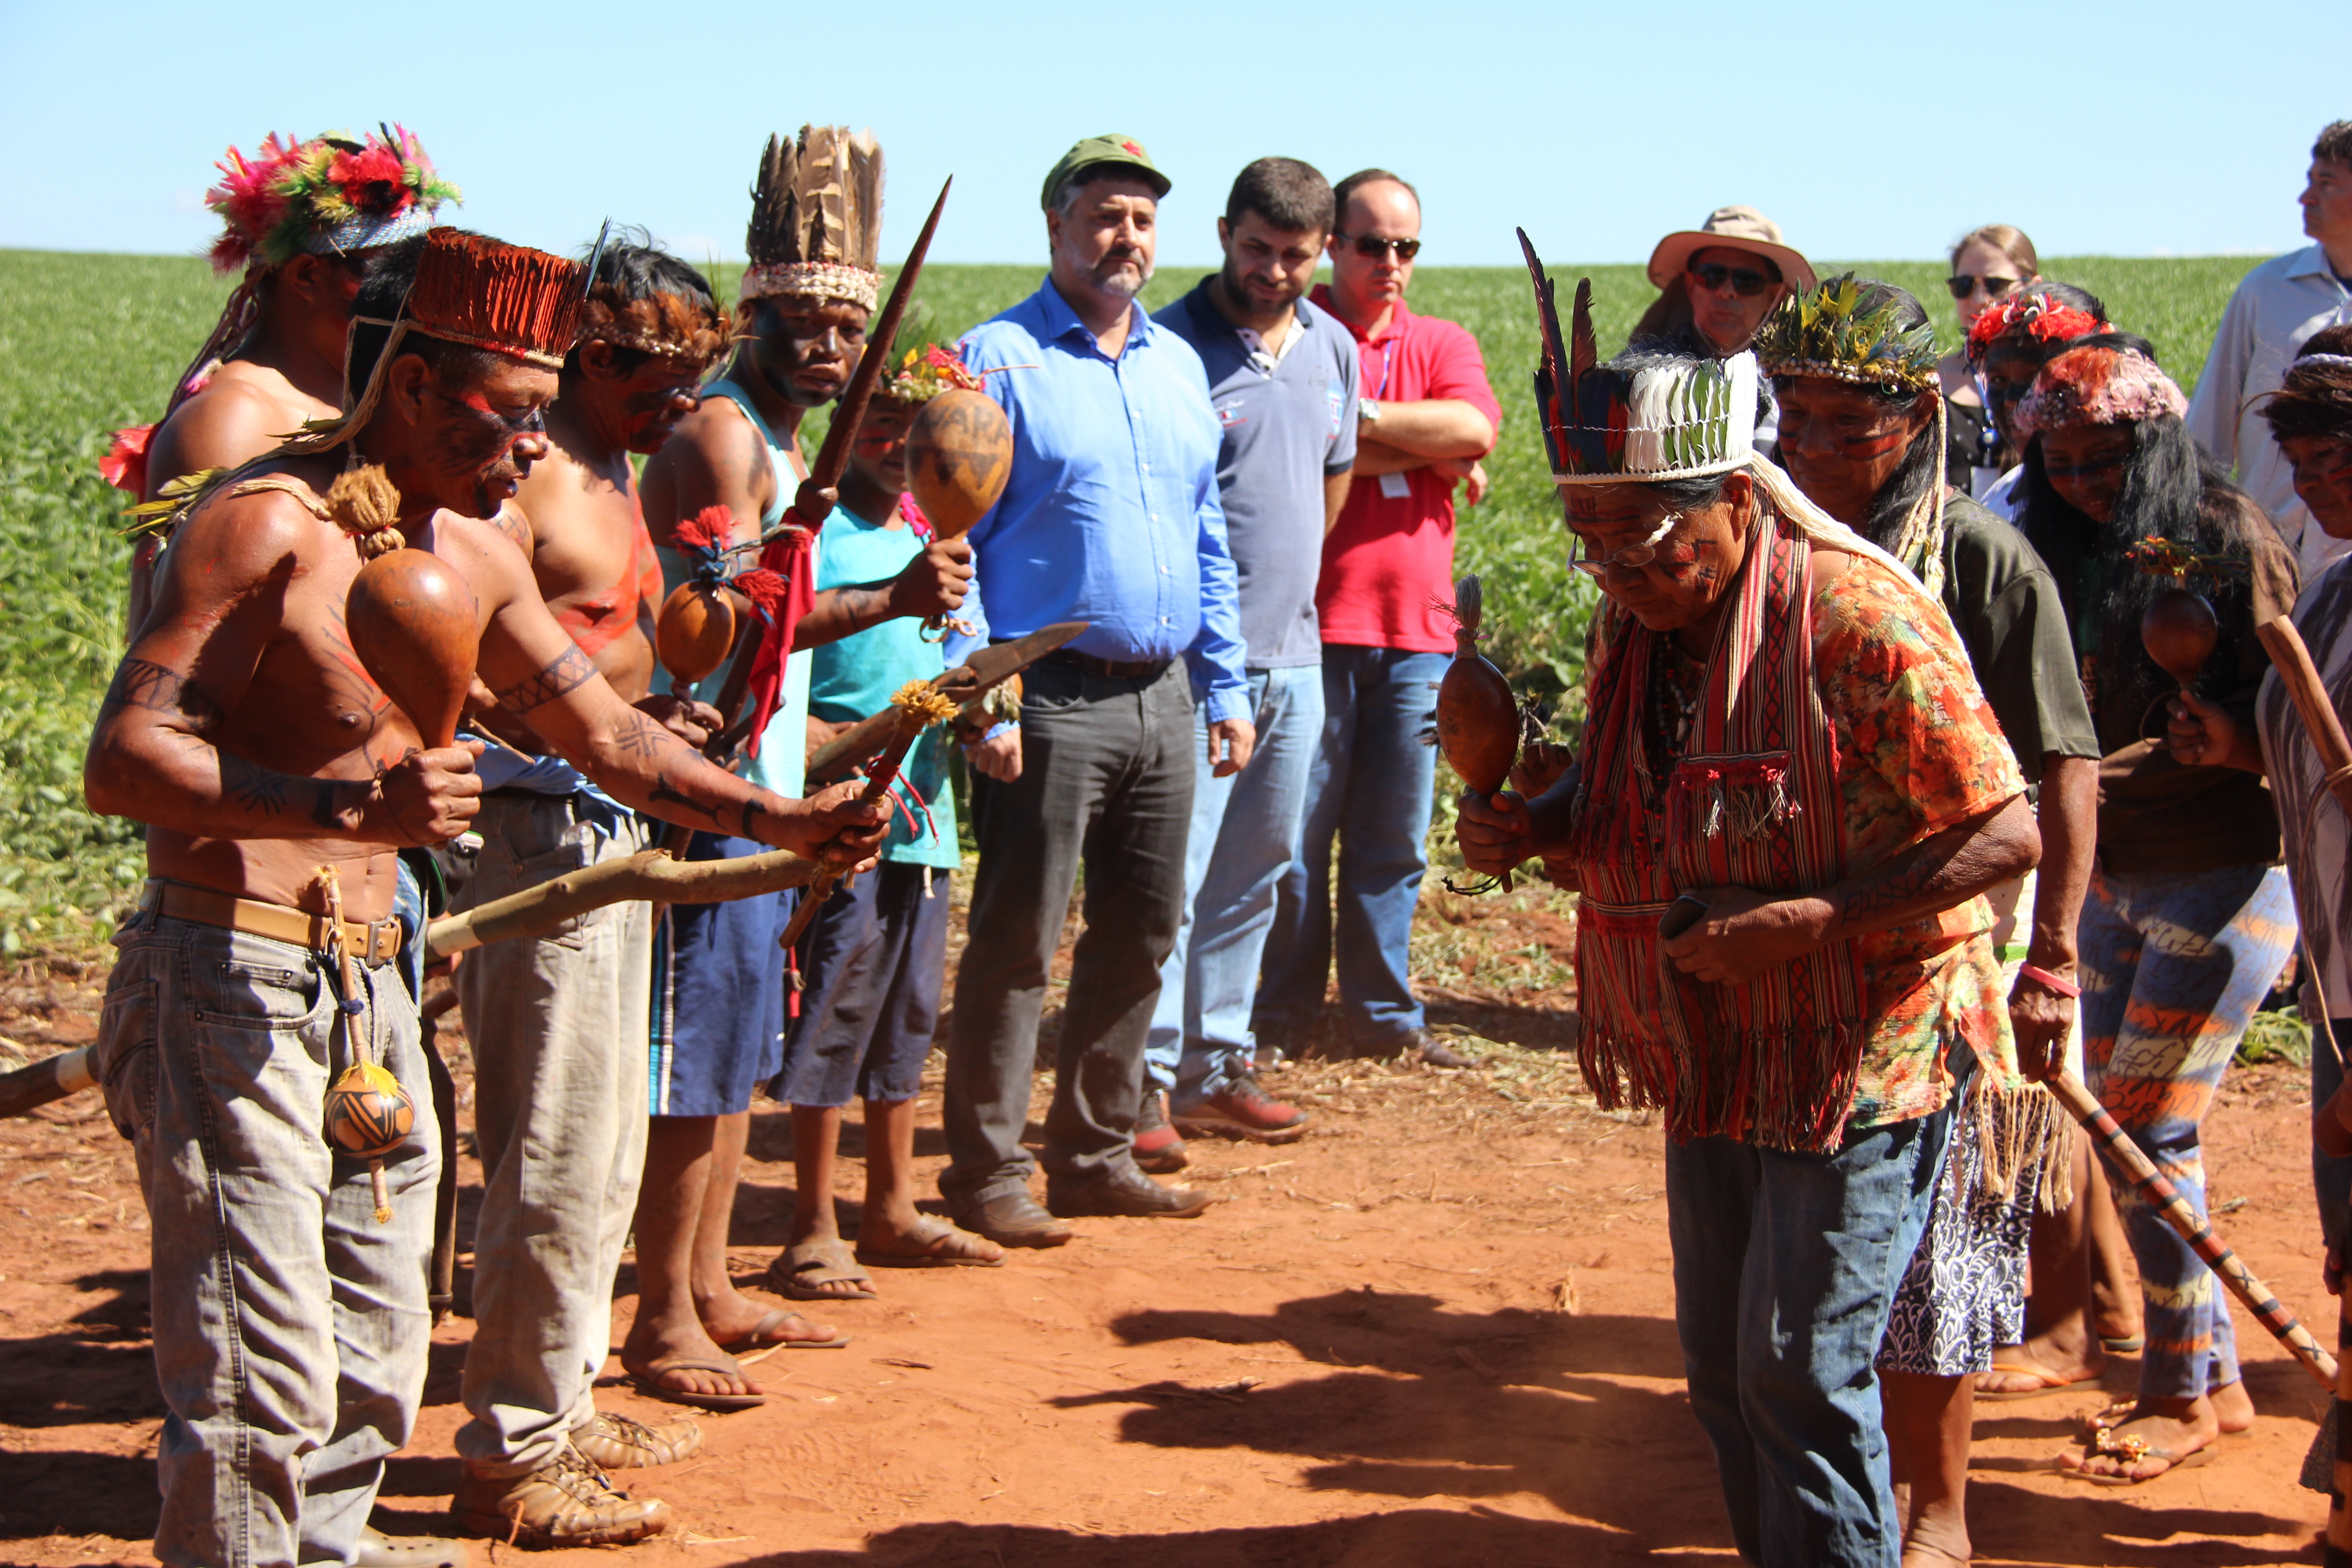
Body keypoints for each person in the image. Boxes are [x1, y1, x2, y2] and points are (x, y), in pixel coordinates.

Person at [81, 225, 882, 1568]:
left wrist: (781, 819)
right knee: (257, 1376)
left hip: (370, 988)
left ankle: (327, 1554)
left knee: (376, 1348)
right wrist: (344, 811)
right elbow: (126, 758)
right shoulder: (264, 523)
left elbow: (608, 739)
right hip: (229, 980)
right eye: (508, 415)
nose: (530, 450)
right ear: (407, 387)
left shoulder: (480, 548)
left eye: (536, 417)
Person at [1458, 259, 2036, 1565]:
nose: (1617, 573)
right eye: (1591, 544)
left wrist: (1821, 917)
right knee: (1725, 1375)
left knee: (1798, 1371)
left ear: (1730, 497)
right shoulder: (1637, 616)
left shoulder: (1854, 612)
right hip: (1714, 1040)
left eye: (1645, 544)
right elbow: (1622, 797)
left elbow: (2008, 829)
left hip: (1866, 1041)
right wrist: (1529, 825)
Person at [631, 127, 974, 1408]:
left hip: (765, 786)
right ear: (754, 319)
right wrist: (887, 600)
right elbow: (726, 624)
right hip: (707, 787)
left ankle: (711, 1284)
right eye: (806, 325)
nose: (830, 350)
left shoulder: (779, 445)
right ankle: (663, 1316)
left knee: (732, 1057)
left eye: (848, 327)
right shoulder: (727, 441)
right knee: (694, 1066)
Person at [1760, 277, 2097, 1565]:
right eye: (1798, 416)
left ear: (1913, 422)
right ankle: (1832, 1475)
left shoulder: (1978, 558)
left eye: (1852, 424)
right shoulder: (1763, 542)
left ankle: (1940, 1508)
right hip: (1804, 941)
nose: (1819, 448)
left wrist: (2053, 958)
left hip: (1965, 940)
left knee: (1946, 1239)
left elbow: (2060, 771)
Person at [442, 235, 735, 1547]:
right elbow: (467, 644)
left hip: (610, 825)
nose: (681, 409)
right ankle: (515, 1446)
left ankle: (559, 1403)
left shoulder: (611, 469)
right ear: (595, 356)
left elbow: (609, 664)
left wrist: (667, 715)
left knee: (607, 1138)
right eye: (662, 379)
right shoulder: (524, 479)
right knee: (552, 1146)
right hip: (536, 836)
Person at [943, 132, 1249, 1244]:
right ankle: (984, 1172)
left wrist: (1224, 686)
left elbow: (1206, 533)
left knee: (1142, 929)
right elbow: (951, 542)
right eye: (1104, 215)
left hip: (1163, 692)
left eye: (1140, 220)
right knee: (1019, 937)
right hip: (1048, 695)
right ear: (1055, 227)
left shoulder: (1175, 365)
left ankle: (1094, 1148)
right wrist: (979, 695)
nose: (1125, 237)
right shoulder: (997, 362)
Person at [2006, 343, 2301, 1480]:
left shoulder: (2225, 537)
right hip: (2114, 873)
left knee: (2143, 1133)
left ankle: (2175, 1391)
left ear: (2156, 449)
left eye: (2104, 460)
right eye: (2061, 461)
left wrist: (2220, 739)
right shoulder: (2062, 548)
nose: (2081, 480)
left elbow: (2286, 709)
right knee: (2125, 1131)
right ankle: (2211, 1377)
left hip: (2221, 874)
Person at [770, 335, 1009, 1301]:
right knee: (835, 1013)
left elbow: (970, 649)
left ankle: (892, 1208)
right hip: (843, 816)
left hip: (925, 817)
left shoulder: (935, 536)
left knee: (905, 1018)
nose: (890, 441)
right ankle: (810, 1223)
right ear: (837, 425)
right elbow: (782, 663)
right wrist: (822, 733)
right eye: (873, 420)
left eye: (911, 430)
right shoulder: (817, 540)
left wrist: (995, 709)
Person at [1133, 156, 1356, 1171]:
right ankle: (1141, 1074)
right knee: (1170, 879)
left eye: (1296, 256)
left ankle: (1218, 1064)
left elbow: (1333, 479)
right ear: (1225, 233)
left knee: (1260, 869)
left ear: (1322, 255)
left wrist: (1291, 600)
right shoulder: (1170, 346)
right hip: (1191, 665)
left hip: (1295, 657)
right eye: (1257, 249)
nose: (1272, 273)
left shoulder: (1333, 347)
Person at [1254, 167, 1499, 1070]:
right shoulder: (1299, 332)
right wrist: (1413, 441)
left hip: (1419, 637)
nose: (1391, 262)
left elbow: (1474, 432)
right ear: (1331, 246)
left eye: (1407, 247)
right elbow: (1285, 434)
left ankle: (1381, 1019)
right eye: (1371, 245)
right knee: (1294, 835)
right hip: (1308, 625)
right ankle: (1278, 1015)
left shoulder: (1441, 338)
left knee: (1393, 840)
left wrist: (1356, 423)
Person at [2169, 324, 2352, 1332]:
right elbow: (2313, 769)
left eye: (2338, 459)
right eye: (2303, 463)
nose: (2315, 481)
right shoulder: (2328, 597)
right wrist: (2237, 744)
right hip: (2340, 979)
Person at [109, 127, 459, 633]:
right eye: (391, 274)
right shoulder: (235, 417)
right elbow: (184, 638)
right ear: (307, 277)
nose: (413, 295)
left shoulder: (359, 398)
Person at [2189, 121, 2352, 579]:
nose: (2306, 197)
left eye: (2326, 183)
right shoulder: (2266, 290)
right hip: (2263, 554)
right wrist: (2200, 530)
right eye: (2309, 181)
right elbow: (2212, 417)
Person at [1965, 282, 2112, 520]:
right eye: (1999, 380)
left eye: (2035, 378)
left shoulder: (2112, 496)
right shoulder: (2000, 497)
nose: (2012, 400)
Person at [1629, 204, 1816, 368]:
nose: (1726, 292)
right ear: (1690, 286)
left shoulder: (1797, 378)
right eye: (1712, 276)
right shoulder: (1642, 367)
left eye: (1747, 281)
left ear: (1774, 296)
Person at [1936, 225, 2039, 498]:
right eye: (1964, 286)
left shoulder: (2052, 378)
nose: (1980, 300)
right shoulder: (1930, 380)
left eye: (1996, 285)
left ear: (2033, 287)